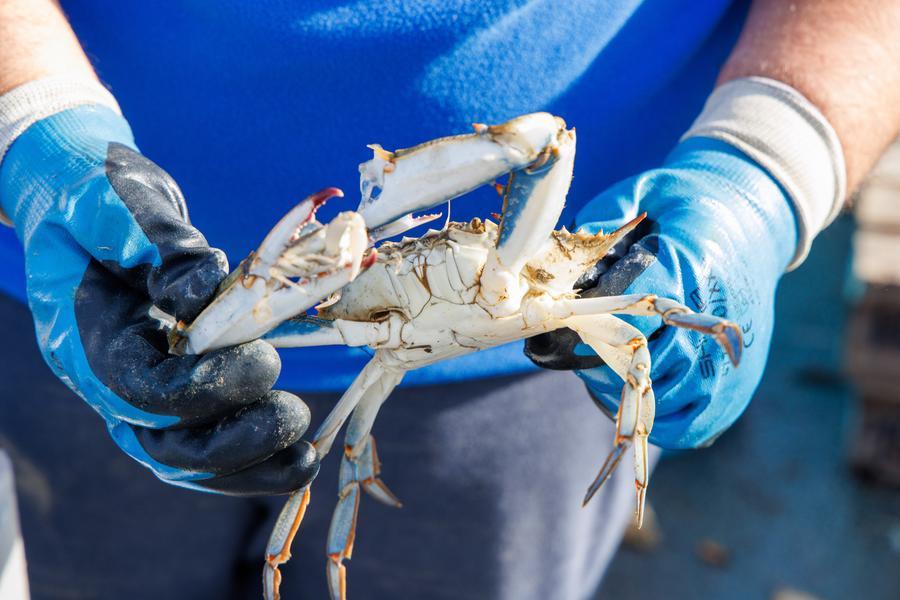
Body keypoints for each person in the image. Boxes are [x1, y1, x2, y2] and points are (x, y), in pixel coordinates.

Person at [0, 1, 897, 599]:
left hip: (545, 367)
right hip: (95, 293)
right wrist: (32, 127)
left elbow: (559, 172)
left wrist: (758, 181)